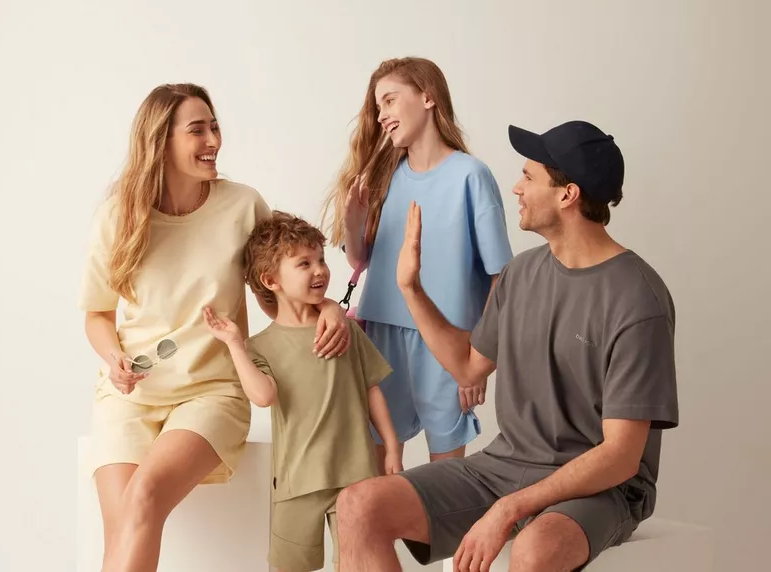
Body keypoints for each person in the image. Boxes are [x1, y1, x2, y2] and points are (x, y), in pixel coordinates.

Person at [336, 120, 679, 572]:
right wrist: (411, 289)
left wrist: (508, 508)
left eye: (528, 176)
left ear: (567, 194)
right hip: (507, 465)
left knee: (533, 549)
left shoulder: (638, 299)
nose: (516, 187)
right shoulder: (521, 274)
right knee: (359, 505)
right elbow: (467, 368)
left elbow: (620, 457)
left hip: (603, 489)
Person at [79, 83, 352, 572]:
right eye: (197, 129)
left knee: (143, 497)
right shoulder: (118, 216)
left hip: (211, 392)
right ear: (160, 141)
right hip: (130, 394)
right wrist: (112, 358)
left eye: (215, 126)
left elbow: (283, 283)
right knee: (121, 527)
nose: (214, 140)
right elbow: (97, 313)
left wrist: (327, 305)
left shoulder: (242, 206)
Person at [321, 57, 513, 471]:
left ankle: (438, 540)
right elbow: (362, 260)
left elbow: (503, 277)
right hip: (380, 337)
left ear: (428, 97)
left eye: (389, 100)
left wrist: (477, 362)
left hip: (446, 340)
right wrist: (354, 224)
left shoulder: (470, 176)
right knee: (374, 473)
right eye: (377, 107)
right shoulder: (387, 176)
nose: (382, 115)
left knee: (443, 480)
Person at [203, 210, 402, 572]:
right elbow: (263, 396)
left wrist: (390, 447)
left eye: (322, 260)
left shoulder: (344, 331)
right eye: (304, 263)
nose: (320, 270)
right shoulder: (259, 348)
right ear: (271, 280)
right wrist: (234, 343)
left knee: (360, 563)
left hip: (354, 476)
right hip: (297, 482)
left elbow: (372, 389)